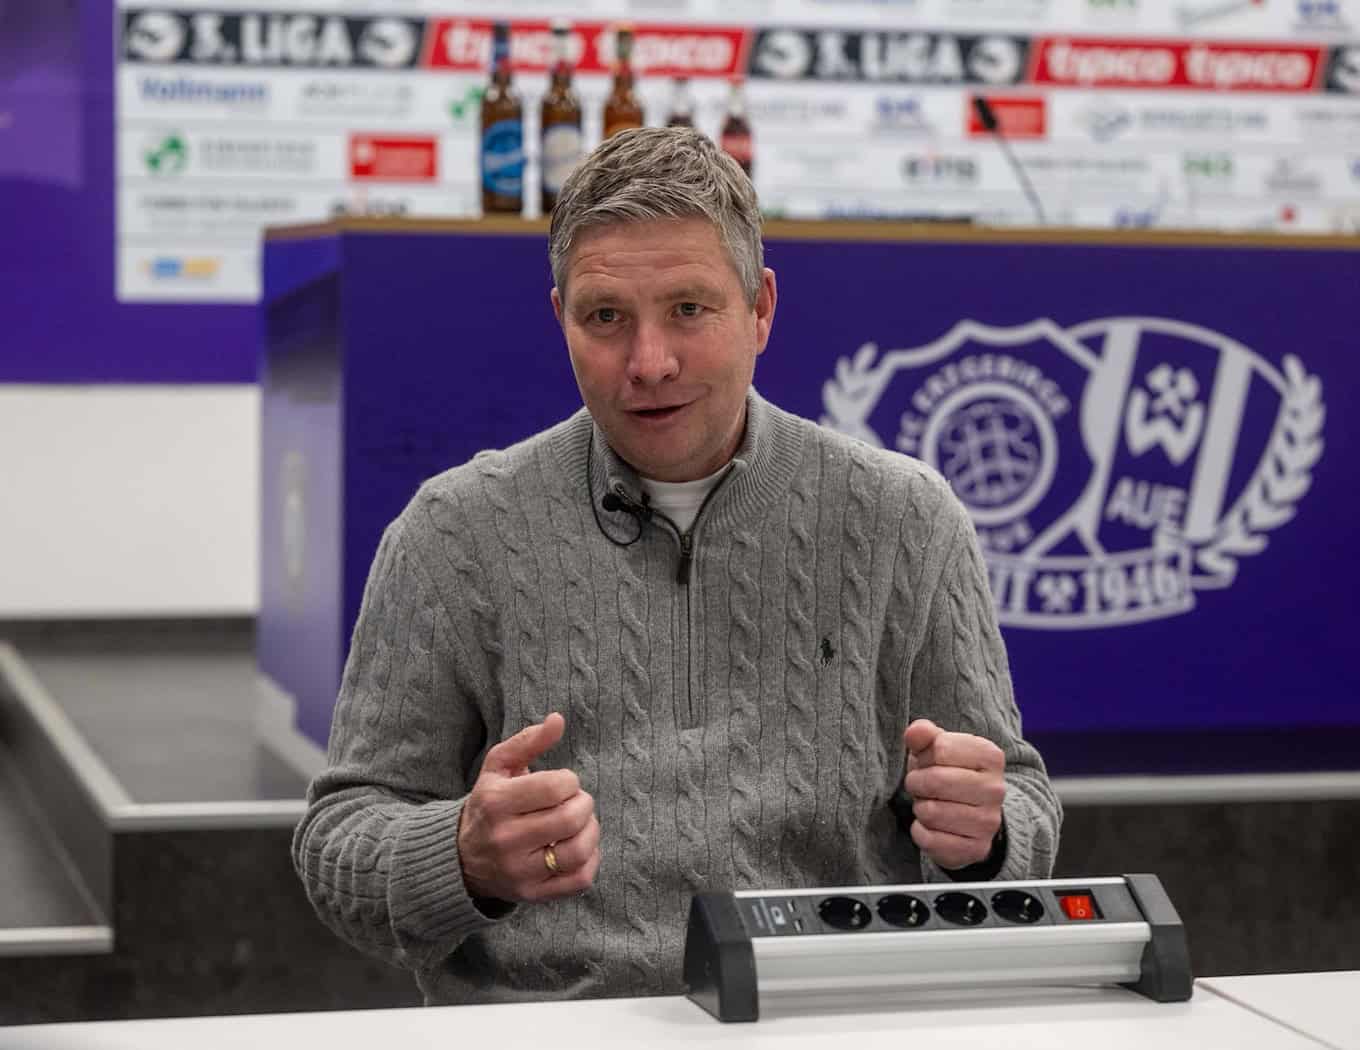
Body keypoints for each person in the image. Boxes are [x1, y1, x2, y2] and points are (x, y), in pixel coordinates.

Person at [292, 127, 1062, 1005]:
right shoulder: (453, 533)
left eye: (689, 309)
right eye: (606, 318)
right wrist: (460, 858)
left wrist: (990, 838)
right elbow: (338, 841)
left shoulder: (906, 520)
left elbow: (1022, 803)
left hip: (824, 1018)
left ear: (760, 308)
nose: (649, 363)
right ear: (561, 319)